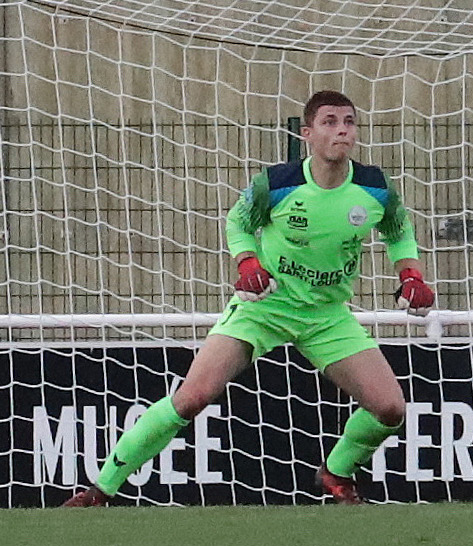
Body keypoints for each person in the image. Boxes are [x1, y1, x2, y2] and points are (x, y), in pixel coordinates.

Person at [63, 90, 435, 506]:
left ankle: (337, 472)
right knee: (192, 397)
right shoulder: (277, 183)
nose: (342, 130)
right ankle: (100, 490)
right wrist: (248, 264)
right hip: (264, 307)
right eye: (330, 122)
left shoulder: (374, 187)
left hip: (327, 314)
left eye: (348, 122)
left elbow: (398, 230)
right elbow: (238, 223)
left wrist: (410, 274)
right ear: (308, 134)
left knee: (390, 409)